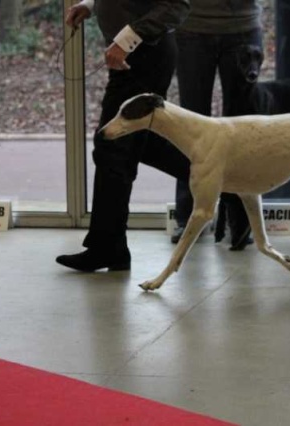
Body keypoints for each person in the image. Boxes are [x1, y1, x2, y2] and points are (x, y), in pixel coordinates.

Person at [56, 0, 191, 272]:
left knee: (112, 148)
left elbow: (176, 5)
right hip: (137, 56)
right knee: (137, 147)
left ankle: (107, 248)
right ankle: (220, 175)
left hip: (145, 57)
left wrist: (127, 39)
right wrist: (92, 5)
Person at [171, 0, 263, 250]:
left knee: (243, 128)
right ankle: (188, 216)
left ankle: (241, 222)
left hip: (242, 28)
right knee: (192, 127)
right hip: (191, 28)